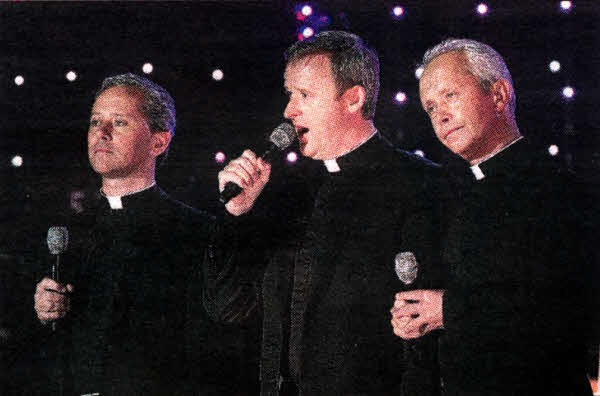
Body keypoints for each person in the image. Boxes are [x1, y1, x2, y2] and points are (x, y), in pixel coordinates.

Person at [211, 30, 447, 395]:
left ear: (353, 99)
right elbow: (226, 309)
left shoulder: (421, 186)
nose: (289, 111)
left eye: (304, 95)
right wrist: (238, 215)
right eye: (290, 94)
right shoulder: (281, 192)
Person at [391, 38, 594, 395]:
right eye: (430, 107)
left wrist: (449, 310)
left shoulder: (558, 189)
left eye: (450, 95)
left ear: (498, 95)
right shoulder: (450, 194)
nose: (440, 115)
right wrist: (418, 318)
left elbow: (572, 309)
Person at [28, 73, 244, 395]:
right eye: (95, 121)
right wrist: (42, 312)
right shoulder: (64, 232)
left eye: (119, 123)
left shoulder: (197, 231)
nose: (101, 133)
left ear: (159, 141)